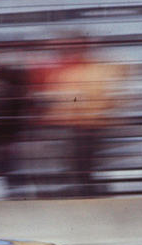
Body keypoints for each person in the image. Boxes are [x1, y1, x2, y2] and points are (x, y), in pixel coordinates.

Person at [35, 34, 129, 196]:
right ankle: (84, 187)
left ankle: (85, 188)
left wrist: (74, 100)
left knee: (82, 159)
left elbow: (86, 96)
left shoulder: (96, 69)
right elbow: (64, 95)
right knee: (79, 159)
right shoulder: (75, 70)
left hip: (87, 123)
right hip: (78, 123)